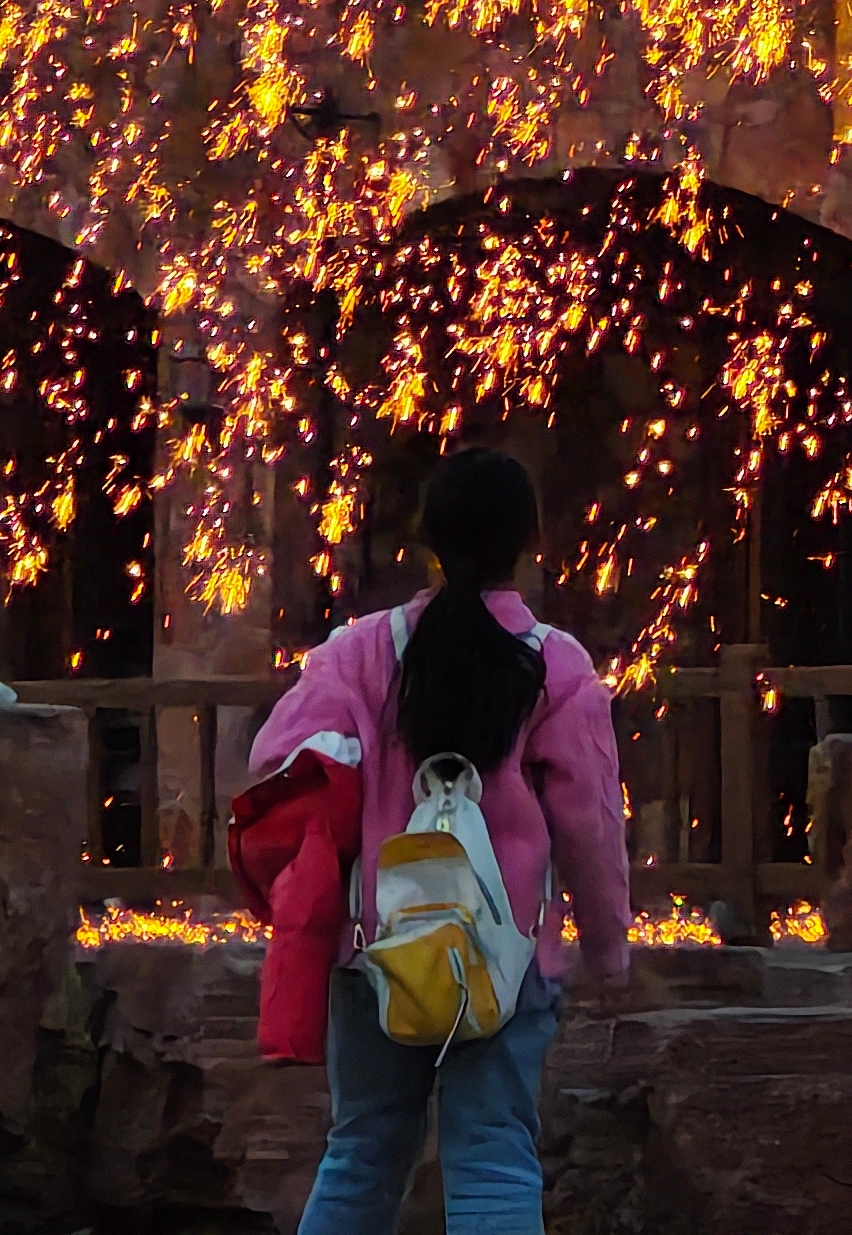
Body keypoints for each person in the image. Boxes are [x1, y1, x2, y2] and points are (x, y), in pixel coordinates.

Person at [246, 449, 633, 1235]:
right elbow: (589, 821)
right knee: (492, 1150)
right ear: (528, 541)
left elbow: (274, 765)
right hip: (505, 959)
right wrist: (608, 947)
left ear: (427, 538)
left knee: (360, 1151)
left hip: (374, 953)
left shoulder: (356, 654)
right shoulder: (555, 665)